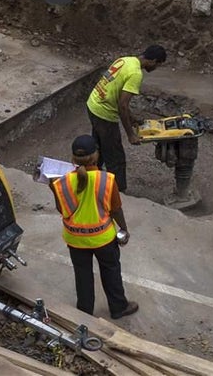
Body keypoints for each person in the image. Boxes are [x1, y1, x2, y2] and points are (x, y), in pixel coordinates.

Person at [49, 135, 139, 319]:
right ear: (95, 156)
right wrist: (124, 229)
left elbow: (62, 210)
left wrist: (53, 189)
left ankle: (84, 313)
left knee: (82, 275)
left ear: (73, 158)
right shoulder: (106, 179)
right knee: (111, 271)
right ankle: (118, 307)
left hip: (76, 240)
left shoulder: (63, 182)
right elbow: (116, 209)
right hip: (103, 239)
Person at [86, 45, 167, 192]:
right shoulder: (136, 74)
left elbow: (116, 94)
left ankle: (90, 179)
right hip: (104, 113)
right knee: (116, 158)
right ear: (153, 61)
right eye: (158, 65)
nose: (156, 68)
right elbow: (122, 105)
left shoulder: (126, 60)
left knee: (99, 148)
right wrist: (131, 134)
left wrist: (133, 118)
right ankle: (118, 192)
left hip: (93, 103)